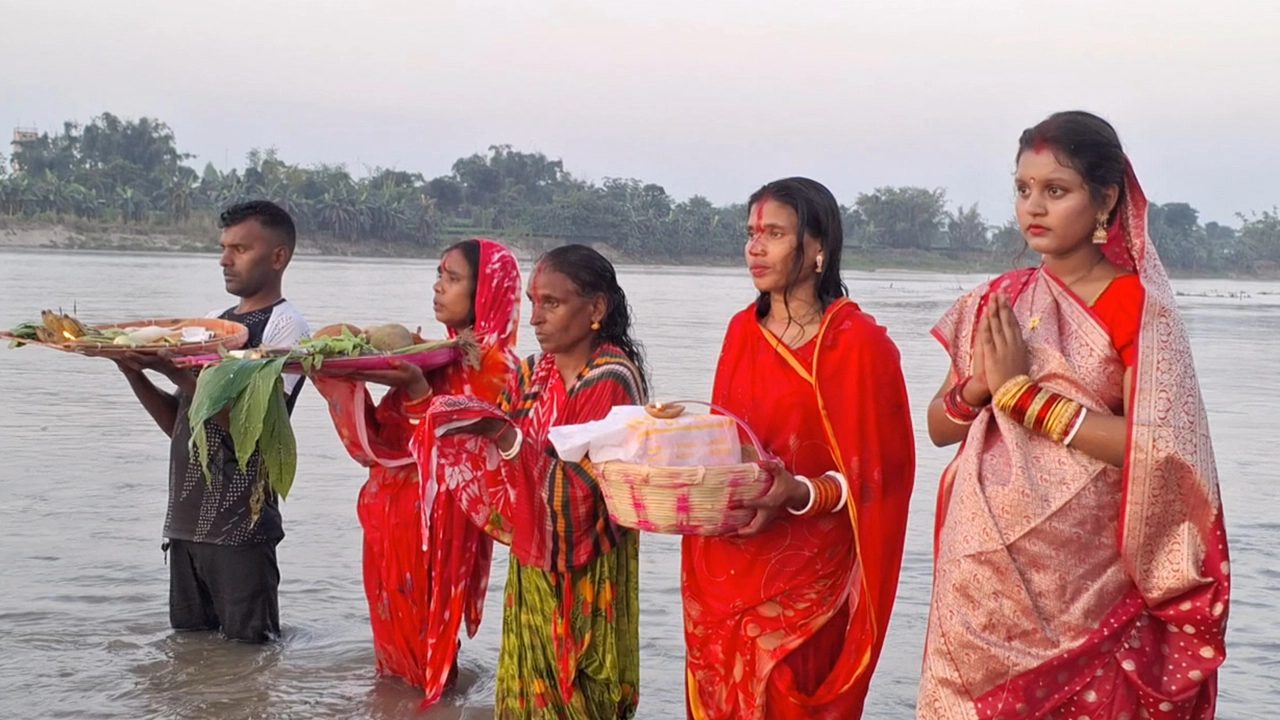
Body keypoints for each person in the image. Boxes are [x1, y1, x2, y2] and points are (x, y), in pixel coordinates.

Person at [918, 111, 1229, 719]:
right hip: (980, 585)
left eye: (1055, 191)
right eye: (1023, 189)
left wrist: (1022, 397)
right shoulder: (997, 298)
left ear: (1106, 201)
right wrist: (981, 385)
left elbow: (1160, 447)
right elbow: (939, 427)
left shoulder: (1136, 306)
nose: (1034, 207)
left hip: (1090, 591)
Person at [682, 178, 916, 720]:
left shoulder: (860, 346)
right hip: (728, 563)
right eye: (750, 233)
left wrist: (800, 492)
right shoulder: (741, 331)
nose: (755, 248)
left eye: (774, 233)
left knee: (790, 696)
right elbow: (728, 443)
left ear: (817, 249)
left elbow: (878, 482)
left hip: (810, 576)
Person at [416, 244, 646, 719]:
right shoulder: (531, 374)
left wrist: (502, 435)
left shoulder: (611, 380)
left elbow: (580, 498)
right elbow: (503, 471)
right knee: (529, 697)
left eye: (553, 303)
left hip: (589, 571)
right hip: (534, 564)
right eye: (532, 302)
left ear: (596, 309)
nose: (536, 318)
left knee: (583, 692)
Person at [308, 239, 521, 705]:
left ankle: (433, 706)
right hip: (388, 514)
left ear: (486, 292)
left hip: (438, 526)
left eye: (452, 277)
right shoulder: (433, 352)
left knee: (430, 641)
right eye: (438, 274)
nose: (437, 286)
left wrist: (420, 390)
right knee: (389, 641)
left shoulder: (499, 367)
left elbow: (470, 455)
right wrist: (341, 374)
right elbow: (385, 434)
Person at [116, 200, 310, 643]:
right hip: (185, 525)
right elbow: (183, 423)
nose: (224, 260)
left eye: (240, 249)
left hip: (240, 525)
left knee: (250, 654)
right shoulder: (216, 324)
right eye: (224, 248)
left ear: (278, 257)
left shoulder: (285, 328)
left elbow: (252, 431)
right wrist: (132, 370)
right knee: (192, 659)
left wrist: (172, 371)